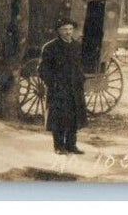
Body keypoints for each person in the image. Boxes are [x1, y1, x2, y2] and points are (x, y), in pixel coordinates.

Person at [38, 18, 88, 154]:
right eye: (65, 29)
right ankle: (59, 147)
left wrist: (81, 80)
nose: (68, 32)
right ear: (59, 31)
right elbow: (42, 70)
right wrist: (53, 83)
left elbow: (80, 66)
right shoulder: (50, 47)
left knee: (74, 117)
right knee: (58, 118)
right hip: (58, 89)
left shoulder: (77, 46)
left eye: (70, 29)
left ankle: (71, 145)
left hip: (74, 89)